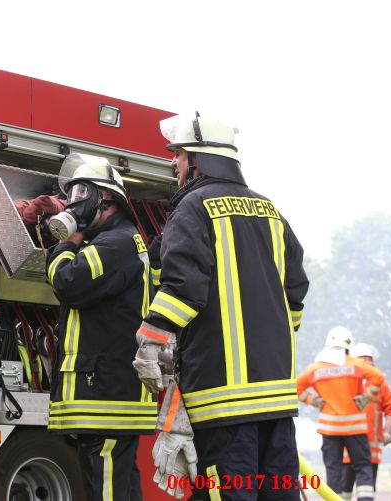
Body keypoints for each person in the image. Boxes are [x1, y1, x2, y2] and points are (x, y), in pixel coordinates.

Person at [132, 113, 309, 500]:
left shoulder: (193, 208)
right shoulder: (271, 211)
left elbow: (183, 287)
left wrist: (150, 339)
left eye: (178, 155)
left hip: (222, 401)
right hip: (277, 398)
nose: (173, 163)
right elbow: (295, 292)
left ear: (199, 160)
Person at [45, 153, 156, 501]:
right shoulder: (116, 242)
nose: (73, 203)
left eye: (81, 194)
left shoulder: (116, 244)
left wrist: (64, 245)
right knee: (118, 488)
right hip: (109, 394)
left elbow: (68, 282)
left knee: (105, 489)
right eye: (71, 194)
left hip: (105, 396)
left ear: (105, 199)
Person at [297, 327, 384, 501]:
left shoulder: (316, 368)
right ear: (347, 346)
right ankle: (365, 499)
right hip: (355, 428)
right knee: (362, 466)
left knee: (333, 468)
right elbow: (378, 378)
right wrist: (366, 397)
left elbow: (297, 387)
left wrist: (314, 401)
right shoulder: (355, 364)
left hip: (330, 429)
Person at [340, 342, 391, 500]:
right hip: (348, 445)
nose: (368, 362)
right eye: (364, 359)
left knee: (367, 490)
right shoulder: (346, 380)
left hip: (371, 447)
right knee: (344, 489)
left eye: (369, 359)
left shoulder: (381, 384)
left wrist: (388, 433)